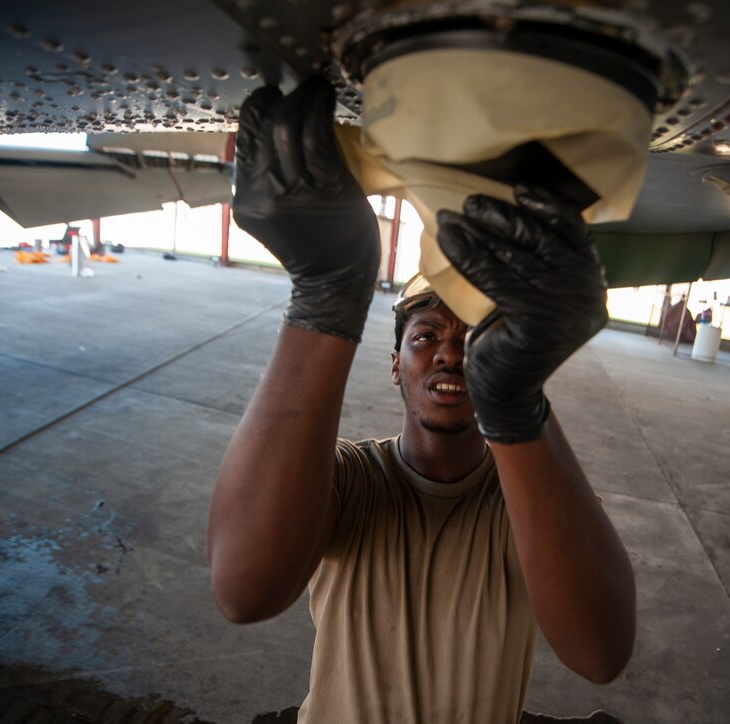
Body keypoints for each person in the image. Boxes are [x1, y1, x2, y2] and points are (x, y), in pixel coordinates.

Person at [206, 76, 636, 723]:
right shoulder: (347, 479)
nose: (448, 352)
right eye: (425, 336)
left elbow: (600, 655)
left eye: (471, 339)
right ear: (394, 367)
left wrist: (514, 403)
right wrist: (326, 295)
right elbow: (243, 591)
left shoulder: (529, 502)